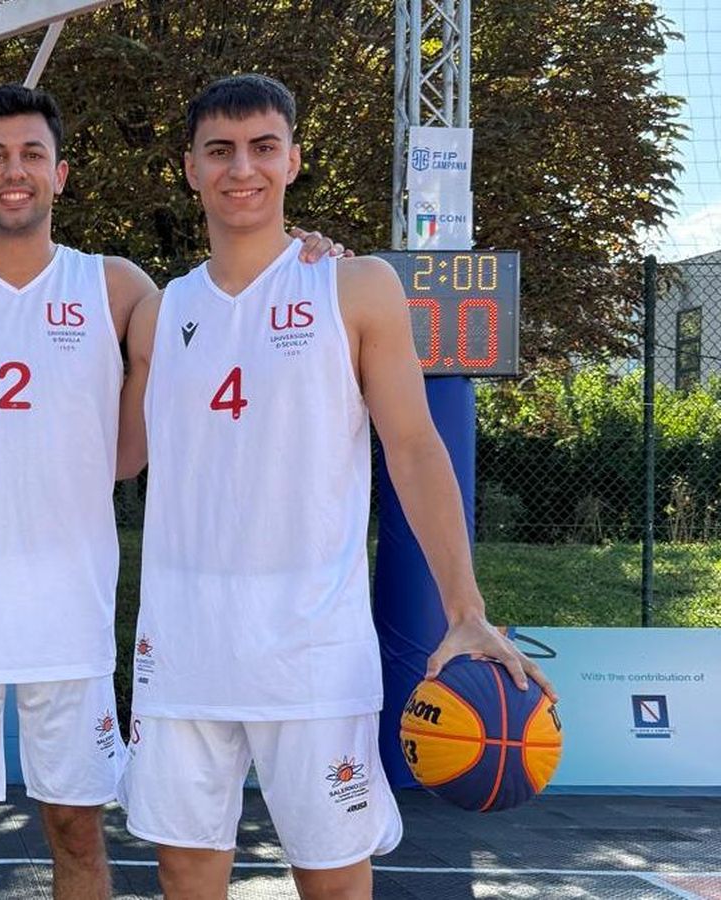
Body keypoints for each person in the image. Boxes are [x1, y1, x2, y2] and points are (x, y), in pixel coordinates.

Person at [0, 83, 342, 900]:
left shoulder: (119, 290)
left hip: (69, 615)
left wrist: (307, 253)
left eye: (32, 155)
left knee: (77, 831)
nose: (15, 172)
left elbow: (227, 336)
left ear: (62, 173)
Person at [114, 73, 556, 899]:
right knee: (183, 872)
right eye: (220, 151)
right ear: (190, 168)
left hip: (310, 648)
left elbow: (417, 451)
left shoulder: (352, 286)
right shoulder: (159, 310)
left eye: (262, 148)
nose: (240, 168)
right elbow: (113, 457)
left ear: (292, 160)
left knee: (333, 881)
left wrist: (467, 609)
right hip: (182, 645)